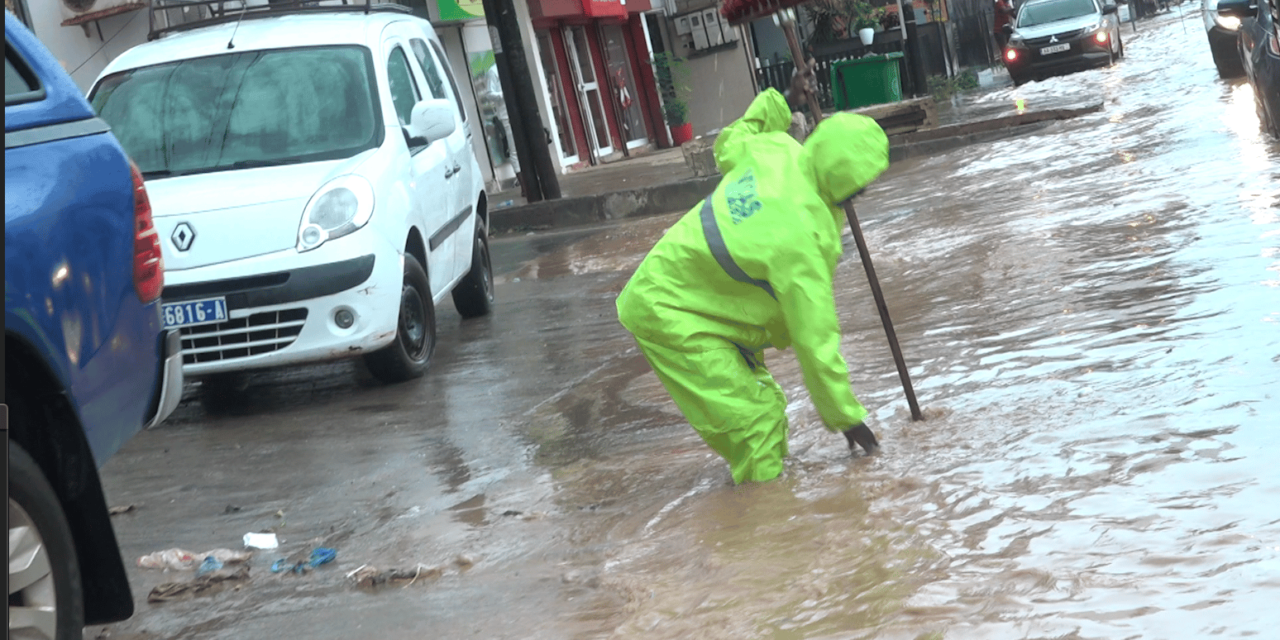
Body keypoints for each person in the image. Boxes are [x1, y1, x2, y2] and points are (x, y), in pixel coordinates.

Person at [614, 69, 889, 485]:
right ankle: (767, 533)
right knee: (756, 426)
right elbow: (815, 339)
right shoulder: (803, 239)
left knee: (768, 408)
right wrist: (846, 417)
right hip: (672, 313)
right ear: (853, 187)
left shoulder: (777, 150)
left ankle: (765, 511)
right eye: (864, 186)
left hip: (699, 304)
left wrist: (783, 99)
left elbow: (731, 141)